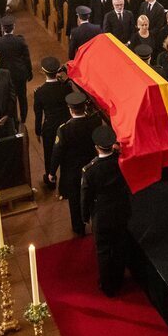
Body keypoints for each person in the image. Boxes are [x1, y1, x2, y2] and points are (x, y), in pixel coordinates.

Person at [80, 125, 132, 296]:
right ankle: (118, 280)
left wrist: (85, 216)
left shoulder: (90, 170)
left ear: (96, 148)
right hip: (122, 209)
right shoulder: (121, 161)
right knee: (119, 246)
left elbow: (86, 197)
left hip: (102, 214)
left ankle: (107, 285)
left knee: (103, 250)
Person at [51, 92, 101, 236]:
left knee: (74, 200)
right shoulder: (94, 123)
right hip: (91, 167)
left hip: (72, 172)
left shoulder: (64, 129)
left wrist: (52, 172)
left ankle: (78, 227)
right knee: (92, 197)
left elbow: (57, 153)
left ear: (70, 109)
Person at [34, 57, 71, 189]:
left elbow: (38, 114)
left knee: (49, 153)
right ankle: (65, 183)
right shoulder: (66, 88)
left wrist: (38, 131)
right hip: (66, 125)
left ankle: (51, 180)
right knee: (66, 154)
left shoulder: (39, 92)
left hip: (49, 128)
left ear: (43, 72)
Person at [0, 15, 32, 123]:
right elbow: (27, 59)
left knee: (11, 99)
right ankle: (23, 118)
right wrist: (30, 72)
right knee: (22, 97)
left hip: (7, 76)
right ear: (13, 27)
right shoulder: (20, 40)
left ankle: (15, 119)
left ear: (2, 28)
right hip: (20, 74)